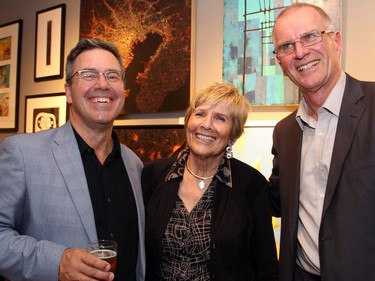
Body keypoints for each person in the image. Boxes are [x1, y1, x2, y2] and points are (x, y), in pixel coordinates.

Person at [0, 38, 145, 281]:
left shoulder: (134, 164)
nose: (102, 84)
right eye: (88, 75)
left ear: (123, 91)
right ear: (68, 91)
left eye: (112, 75)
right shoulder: (22, 153)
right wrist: (56, 262)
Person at [269, 3, 375, 281]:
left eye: (310, 36)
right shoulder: (284, 133)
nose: (300, 52)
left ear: (336, 41)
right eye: (287, 46)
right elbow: (275, 199)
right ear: (280, 63)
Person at [142, 82, 278, 281]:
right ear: (188, 121)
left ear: (233, 133)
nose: (206, 124)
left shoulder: (252, 184)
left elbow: (266, 266)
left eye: (220, 118)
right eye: (200, 114)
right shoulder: (154, 175)